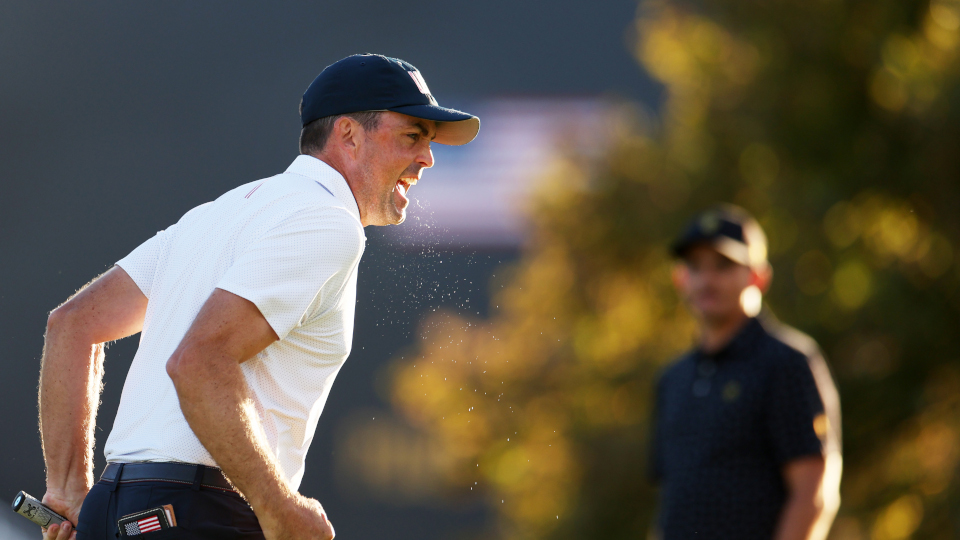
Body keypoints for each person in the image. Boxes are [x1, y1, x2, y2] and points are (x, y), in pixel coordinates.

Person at [37, 53, 480, 540]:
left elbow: (72, 324)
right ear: (349, 135)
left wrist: (68, 494)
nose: (427, 158)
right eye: (413, 136)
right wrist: (278, 507)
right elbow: (199, 361)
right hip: (201, 515)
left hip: (115, 512)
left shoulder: (217, 214)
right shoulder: (328, 221)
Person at [649, 205, 842, 540]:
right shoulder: (673, 379)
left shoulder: (787, 364)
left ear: (758, 276)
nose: (706, 280)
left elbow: (814, 492)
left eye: (723, 266)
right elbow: (671, 502)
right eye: (695, 267)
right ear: (679, 278)